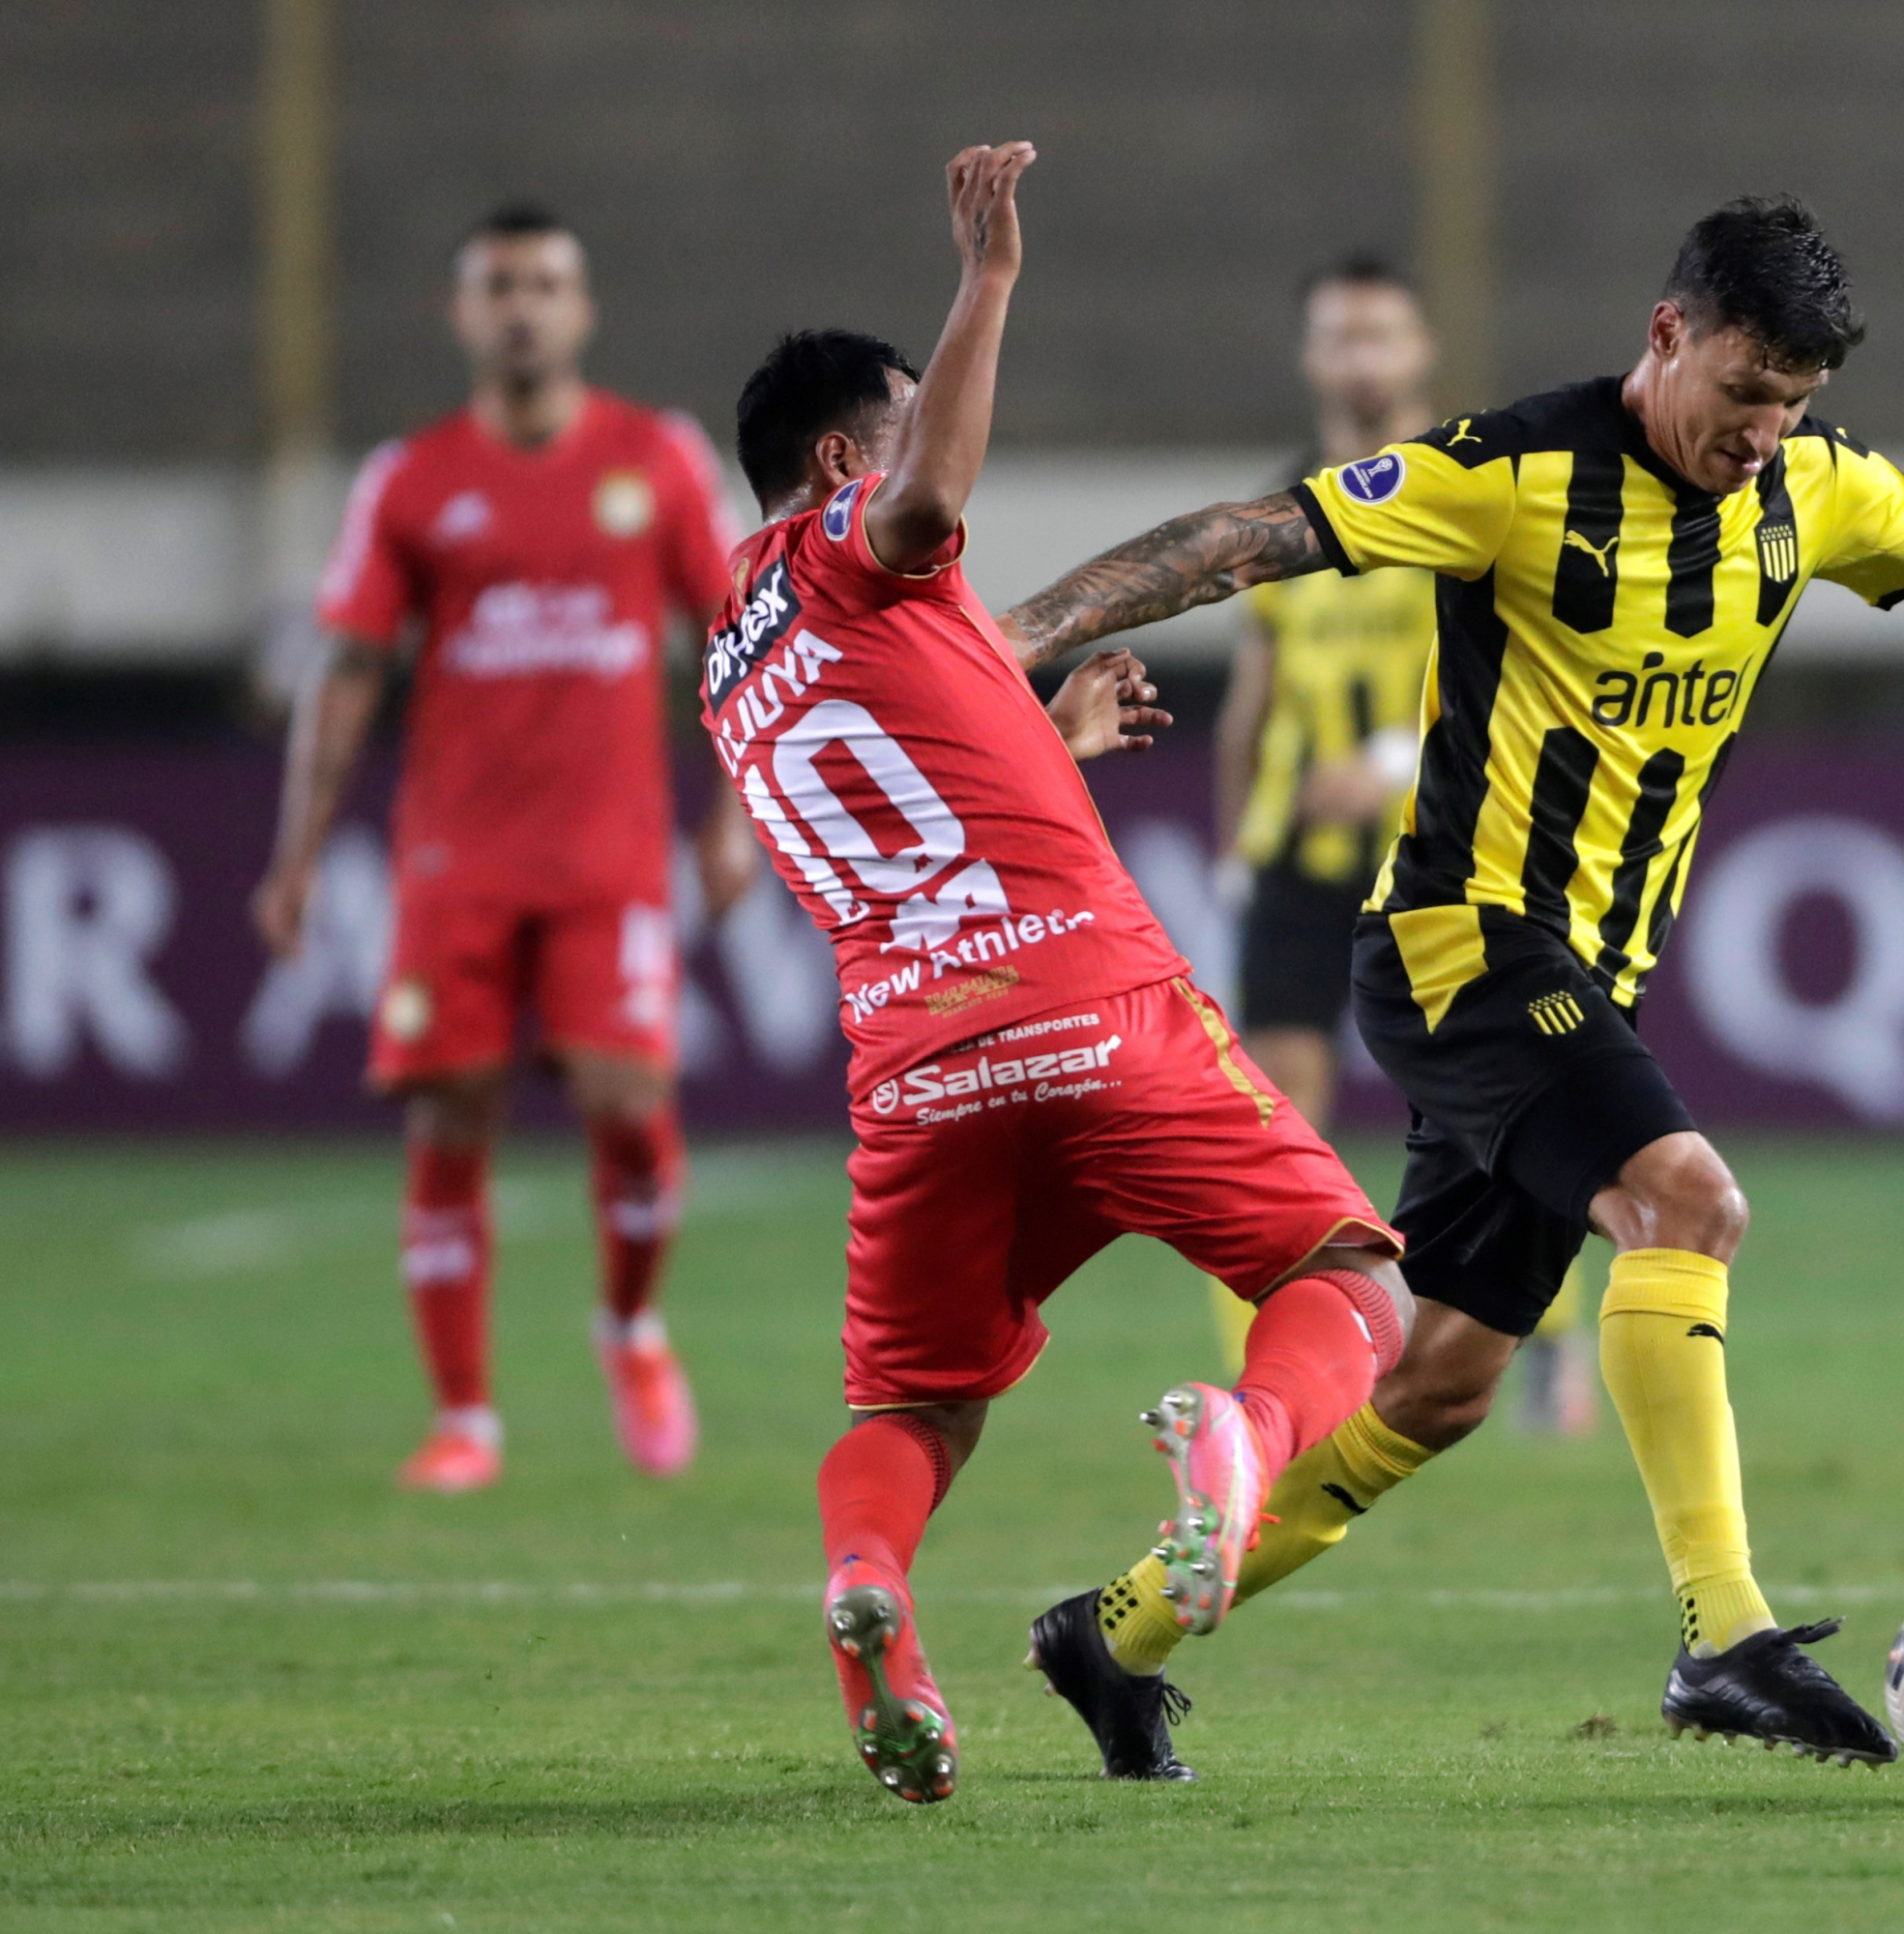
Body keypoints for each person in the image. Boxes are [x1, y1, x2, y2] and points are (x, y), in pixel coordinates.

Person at [1004, 194, 1904, 1768]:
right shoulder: (1510, 472)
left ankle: (1105, 1637)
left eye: (1789, 403)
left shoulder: (1814, 490)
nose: (1762, 431)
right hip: (1462, 939)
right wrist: (1014, 641)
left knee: (1447, 1380)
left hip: (1589, 972)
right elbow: (1248, 538)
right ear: (1663, 335)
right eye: (1742, 391)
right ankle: (1719, 1635)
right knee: (1686, 1204)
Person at [710, 142, 1414, 1801]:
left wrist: (1048, 742)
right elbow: (925, 504)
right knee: (1350, 1276)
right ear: (831, 460)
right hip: (1098, 1018)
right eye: (884, 436)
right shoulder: (854, 541)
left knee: (919, 1410)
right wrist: (986, 281)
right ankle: (1238, 1439)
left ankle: (868, 1592)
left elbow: (919, 799)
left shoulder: (735, 658)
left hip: (917, 1075)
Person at [254, 204, 750, 1493]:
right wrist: (296, 850)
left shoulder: (656, 457)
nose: (521, 306)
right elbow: (351, 669)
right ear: (461, 315)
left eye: (544, 283)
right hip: (456, 861)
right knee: (448, 1119)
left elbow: (739, 637)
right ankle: (464, 1416)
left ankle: (632, 1330)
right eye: (498, 286)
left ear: (581, 310)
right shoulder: (408, 482)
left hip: (606, 857)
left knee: (628, 1111)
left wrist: (734, 815)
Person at [1205, 256, 1599, 1433]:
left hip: (1446, 848)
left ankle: (1545, 1343)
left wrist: (1382, 762)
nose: (1362, 357)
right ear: (1311, 359)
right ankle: (1271, 1380)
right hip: (1297, 861)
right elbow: (1250, 698)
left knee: (1497, 1104)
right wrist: (1234, 854)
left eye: (1382, 334)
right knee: (1271, 1117)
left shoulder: (1468, 489)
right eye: (1340, 337)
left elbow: (1525, 662)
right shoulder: (1279, 514)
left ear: (1420, 350)